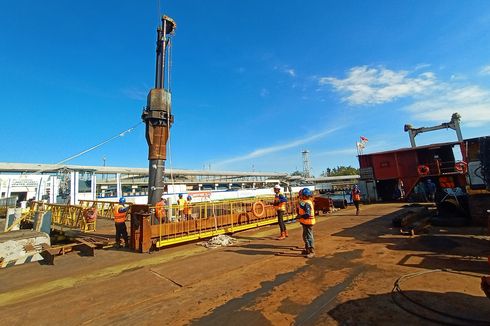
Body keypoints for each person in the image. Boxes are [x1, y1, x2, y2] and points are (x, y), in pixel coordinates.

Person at [297, 188, 316, 258]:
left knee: (309, 236)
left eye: (301, 195)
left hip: (308, 222)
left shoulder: (307, 203)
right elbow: (301, 204)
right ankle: (307, 249)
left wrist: (300, 216)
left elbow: (307, 214)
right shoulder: (305, 201)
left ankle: (311, 251)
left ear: (305, 196)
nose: (300, 196)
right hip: (305, 222)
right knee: (305, 236)